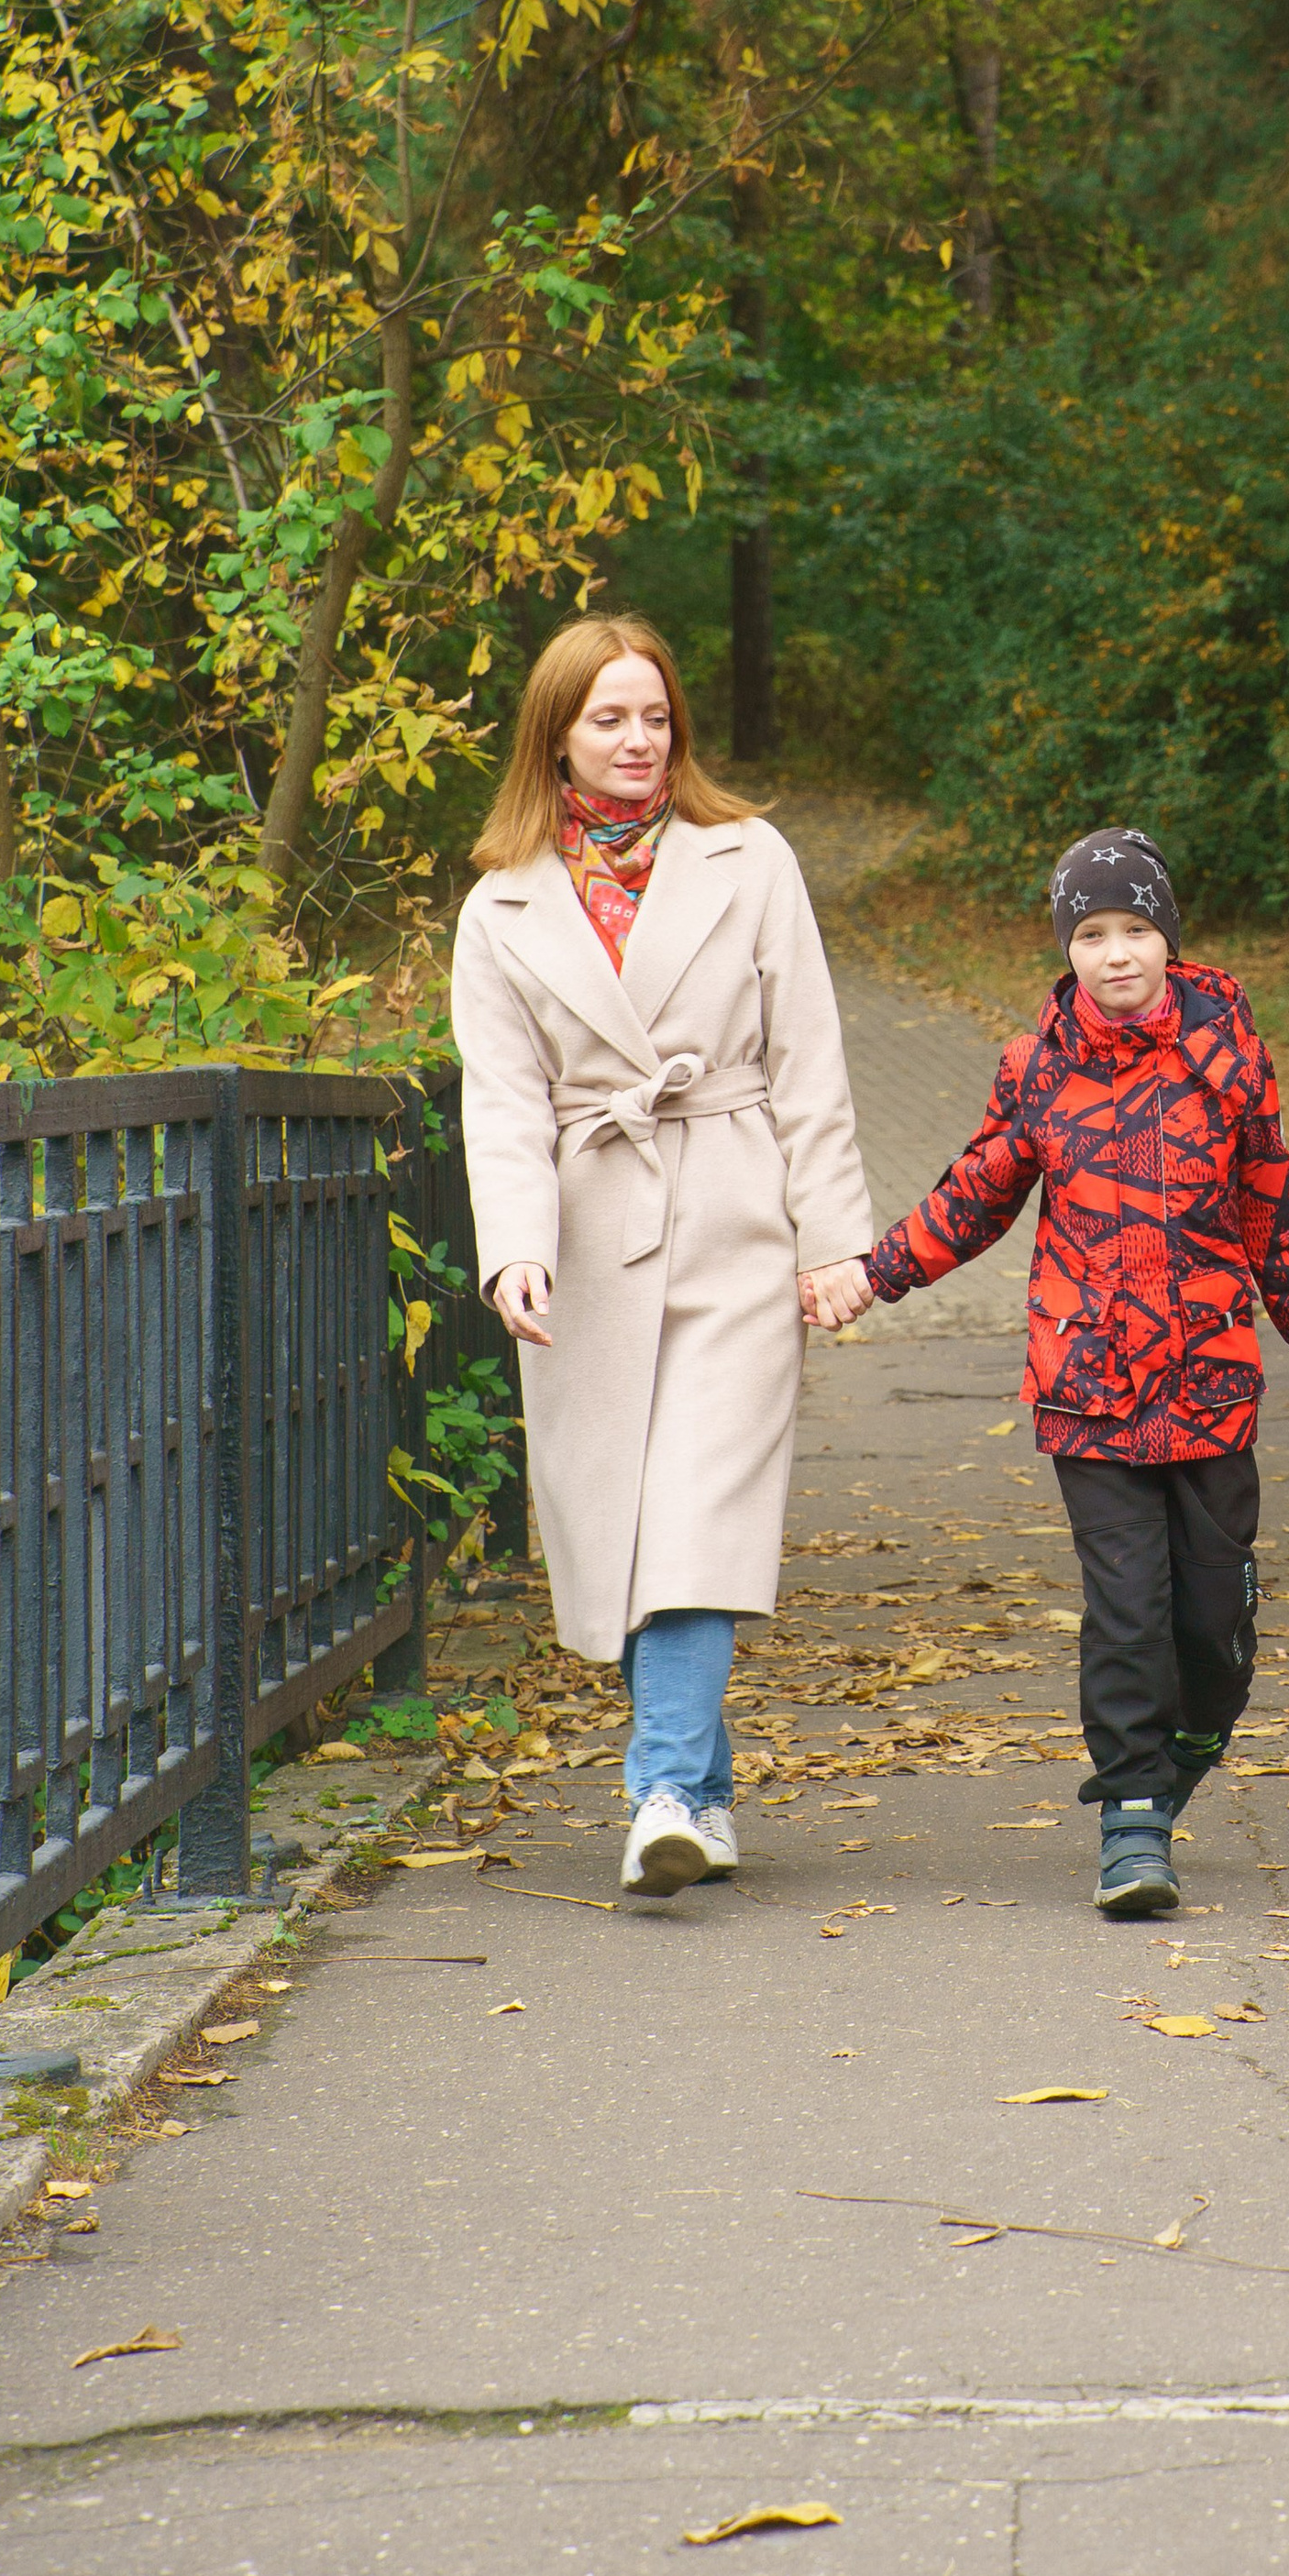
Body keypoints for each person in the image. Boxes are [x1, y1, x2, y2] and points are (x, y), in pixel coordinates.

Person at [808, 826, 1289, 1918]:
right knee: (1126, 1610)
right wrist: (873, 1271)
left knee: (1212, 1627)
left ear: (1168, 937)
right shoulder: (1035, 1067)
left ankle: (1187, 1748)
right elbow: (976, 1192)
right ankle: (1130, 1814)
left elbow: (1274, 1206)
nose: (1115, 952)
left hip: (1210, 1383)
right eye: (1090, 933)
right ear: (1065, 946)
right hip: (1088, 1386)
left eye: (1134, 929)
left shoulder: (1230, 1056)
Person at [452, 615, 874, 1899]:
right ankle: (708, 1794)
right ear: (557, 737)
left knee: (700, 1513)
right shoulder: (500, 904)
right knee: (626, 1527)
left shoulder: (750, 859)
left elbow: (809, 1058)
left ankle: (666, 1794)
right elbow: (501, 1100)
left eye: (655, 716)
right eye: (609, 719)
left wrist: (834, 1241)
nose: (639, 740)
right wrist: (514, 1248)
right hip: (587, 1234)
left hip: (735, 1213)